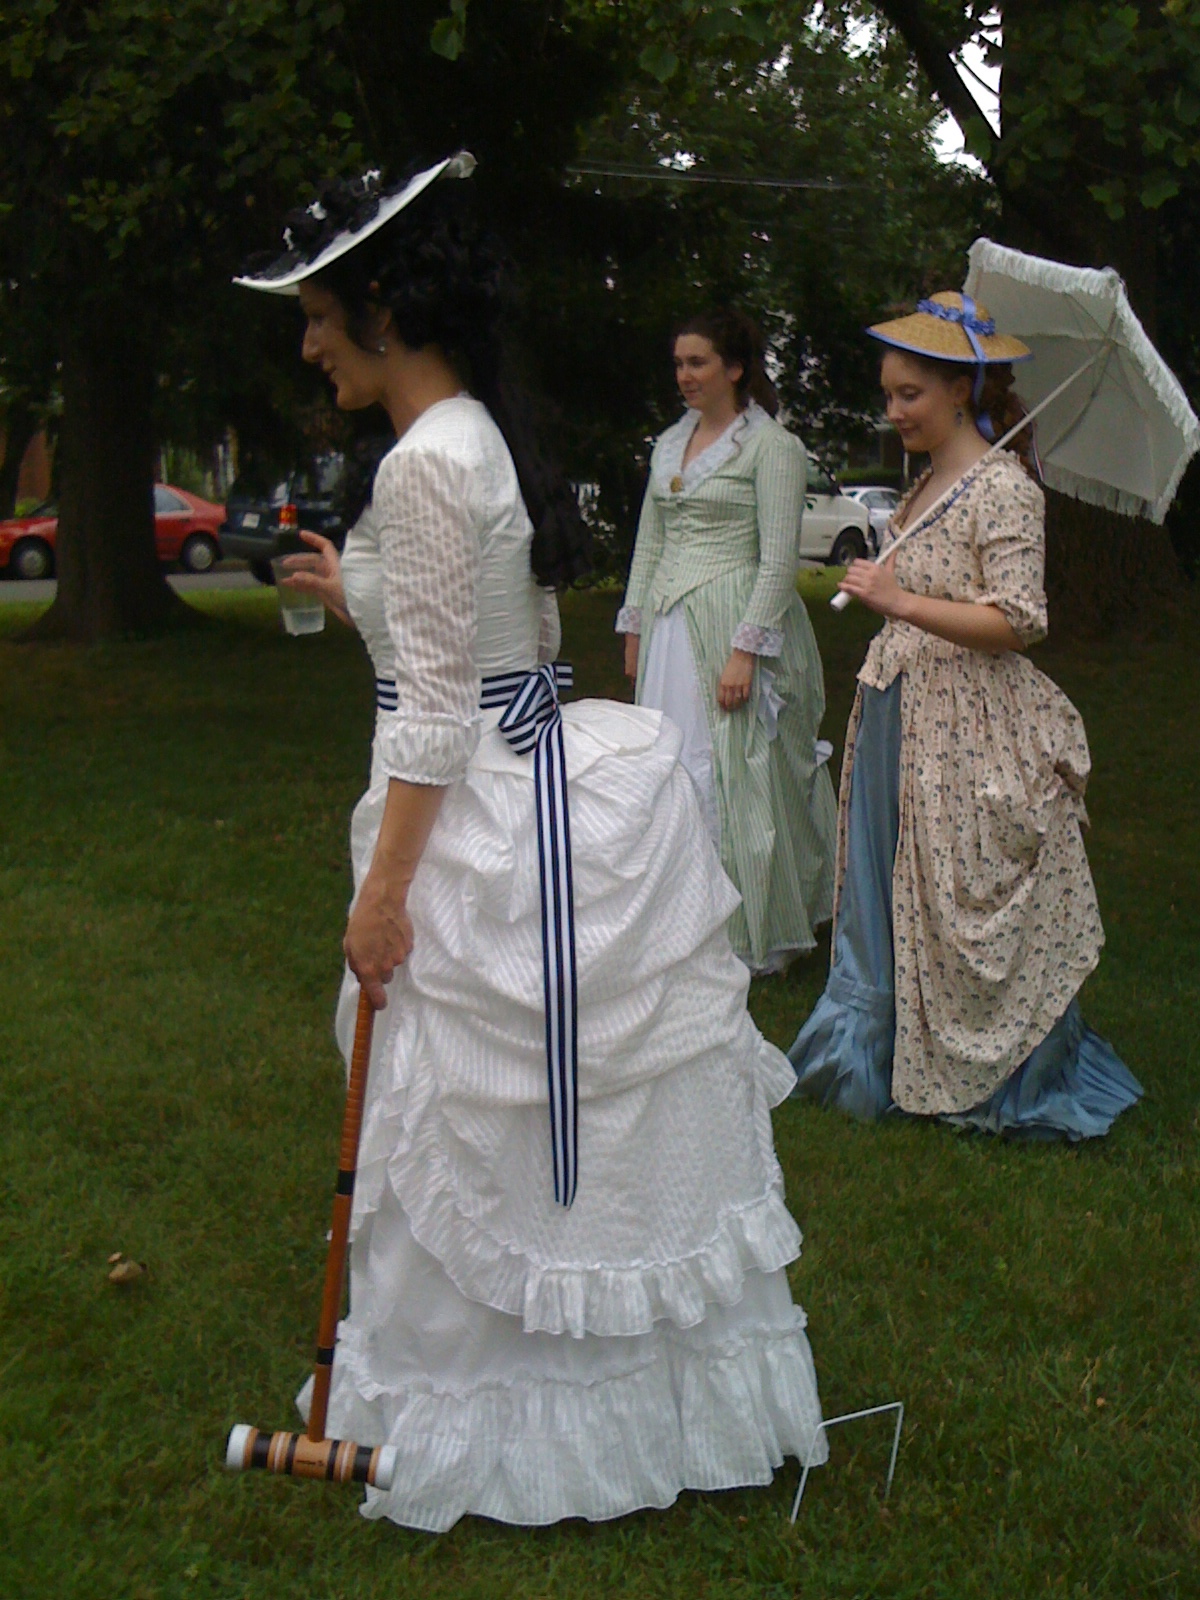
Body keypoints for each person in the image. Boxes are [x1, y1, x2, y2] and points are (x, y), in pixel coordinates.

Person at [236, 155, 826, 1533]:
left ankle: (516, 1411)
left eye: (320, 312)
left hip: (483, 805)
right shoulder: (463, 439)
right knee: (500, 1125)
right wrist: (360, 600)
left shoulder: (436, 457)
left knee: (483, 1116)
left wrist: (386, 897)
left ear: (385, 303)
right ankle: (573, 1387)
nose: (309, 339)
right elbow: (511, 650)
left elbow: (440, 719)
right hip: (520, 768)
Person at [788, 291, 1143, 1137]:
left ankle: (996, 1073)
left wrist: (900, 600)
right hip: (900, 711)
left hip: (967, 723)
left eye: (911, 393)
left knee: (959, 895)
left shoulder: (1004, 489)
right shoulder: (928, 485)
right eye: (889, 393)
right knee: (897, 889)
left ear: (962, 391)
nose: (894, 410)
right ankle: (881, 1054)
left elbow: (1020, 621)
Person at [616, 311, 837, 975]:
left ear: (734, 369)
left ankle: (750, 929)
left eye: (697, 363)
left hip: (736, 620)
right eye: (678, 363)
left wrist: (747, 649)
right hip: (671, 628)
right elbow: (650, 541)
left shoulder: (772, 448)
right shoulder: (668, 444)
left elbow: (777, 559)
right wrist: (634, 625)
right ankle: (677, 921)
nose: (684, 375)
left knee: (741, 772)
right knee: (670, 769)